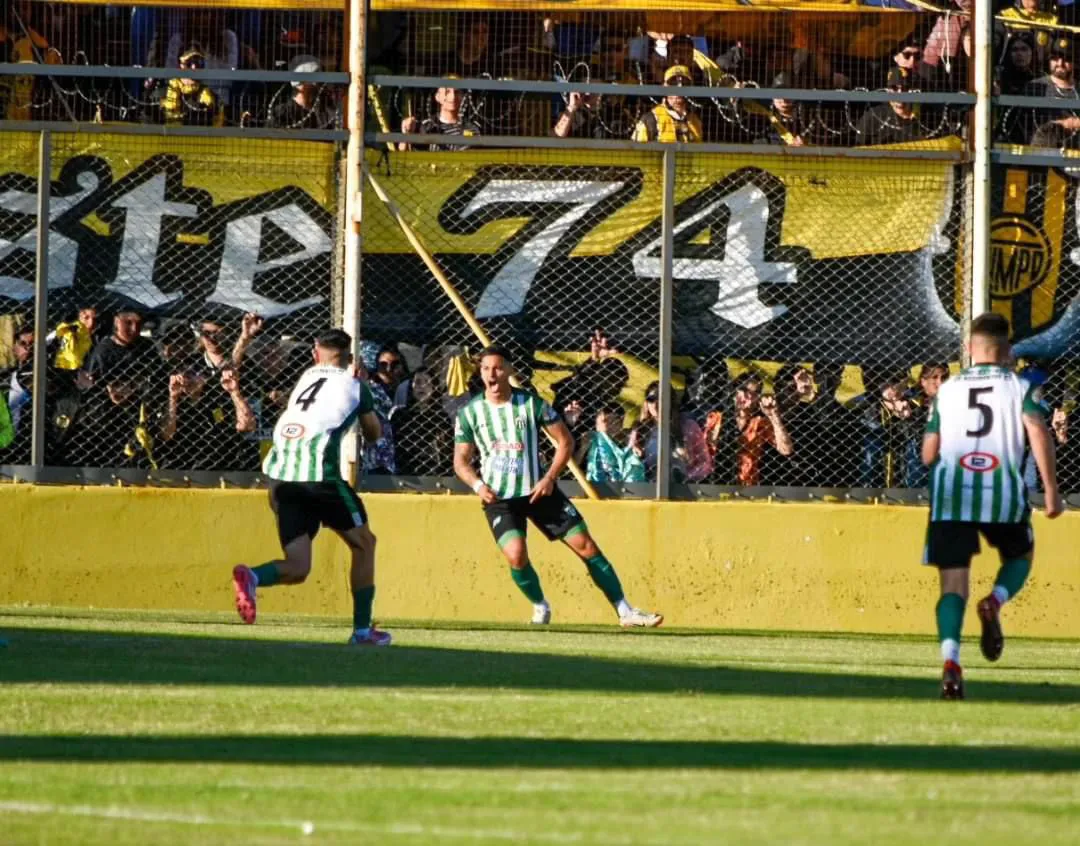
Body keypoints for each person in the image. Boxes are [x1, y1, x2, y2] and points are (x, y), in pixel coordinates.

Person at [453, 345, 663, 627]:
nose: (491, 374)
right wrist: (478, 485)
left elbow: (565, 441)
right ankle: (540, 606)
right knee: (516, 555)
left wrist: (550, 477)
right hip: (499, 497)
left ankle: (625, 611)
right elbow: (461, 461)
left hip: (540, 491)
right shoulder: (470, 413)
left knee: (586, 546)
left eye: (498, 368)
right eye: (485, 368)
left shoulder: (530, 403)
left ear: (509, 370)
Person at [921, 313, 1063, 700]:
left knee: (953, 585)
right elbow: (1037, 429)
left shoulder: (947, 390)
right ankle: (995, 600)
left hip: (951, 498)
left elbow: (928, 453)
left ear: (970, 349)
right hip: (1002, 495)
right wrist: (1051, 490)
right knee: (1022, 555)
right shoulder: (1021, 387)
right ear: (1007, 351)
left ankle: (951, 661)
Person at [231, 329, 390, 646]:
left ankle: (254, 576)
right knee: (365, 544)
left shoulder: (306, 377)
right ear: (349, 357)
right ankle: (362, 632)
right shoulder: (356, 386)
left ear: (316, 352)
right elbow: (373, 435)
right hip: (319, 476)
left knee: (298, 566)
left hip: (280, 478)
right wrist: (365, 396)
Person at [631, 65, 703, 143]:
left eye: (685, 83)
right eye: (673, 83)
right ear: (664, 86)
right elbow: (636, 150)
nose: (679, 87)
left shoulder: (696, 120)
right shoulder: (651, 119)